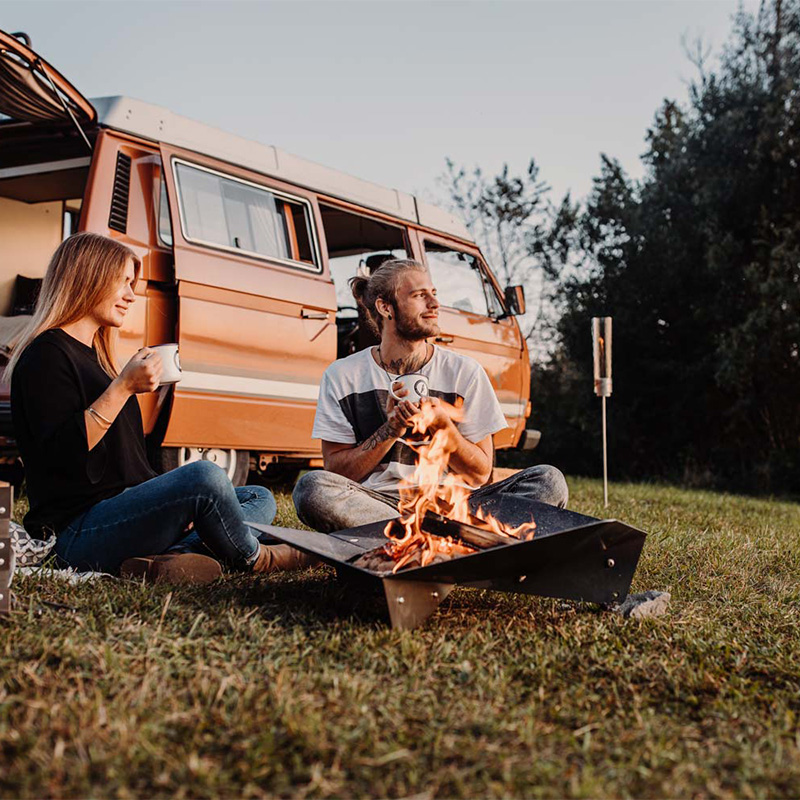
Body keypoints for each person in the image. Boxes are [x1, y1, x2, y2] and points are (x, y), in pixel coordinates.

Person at [7, 232, 315, 582]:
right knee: (205, 477)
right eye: (123, 282)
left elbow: (127, 469)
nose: (130, 295)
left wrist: (173, 502)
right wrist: (123, 388)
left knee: (258, 497)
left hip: (122, 514)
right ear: (89, 277)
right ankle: (255, 557)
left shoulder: (98, 359)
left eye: (132, 284)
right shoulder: (46, 355)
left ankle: (168, 559)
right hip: (76, 534)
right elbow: (63, 455)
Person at [293, 258, 568, 533]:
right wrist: (391, 430)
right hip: (379, 505)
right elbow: (336, 472)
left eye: (433, 294)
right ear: (385, 307)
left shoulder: (465, 372)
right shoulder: (343, 375)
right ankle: (441, 538)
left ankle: (409, 537)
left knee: (548, 481)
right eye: (419, 295)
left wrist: (444, 429)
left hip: (457, 506)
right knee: (312, 489)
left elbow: (480, 474)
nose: (435, 304)